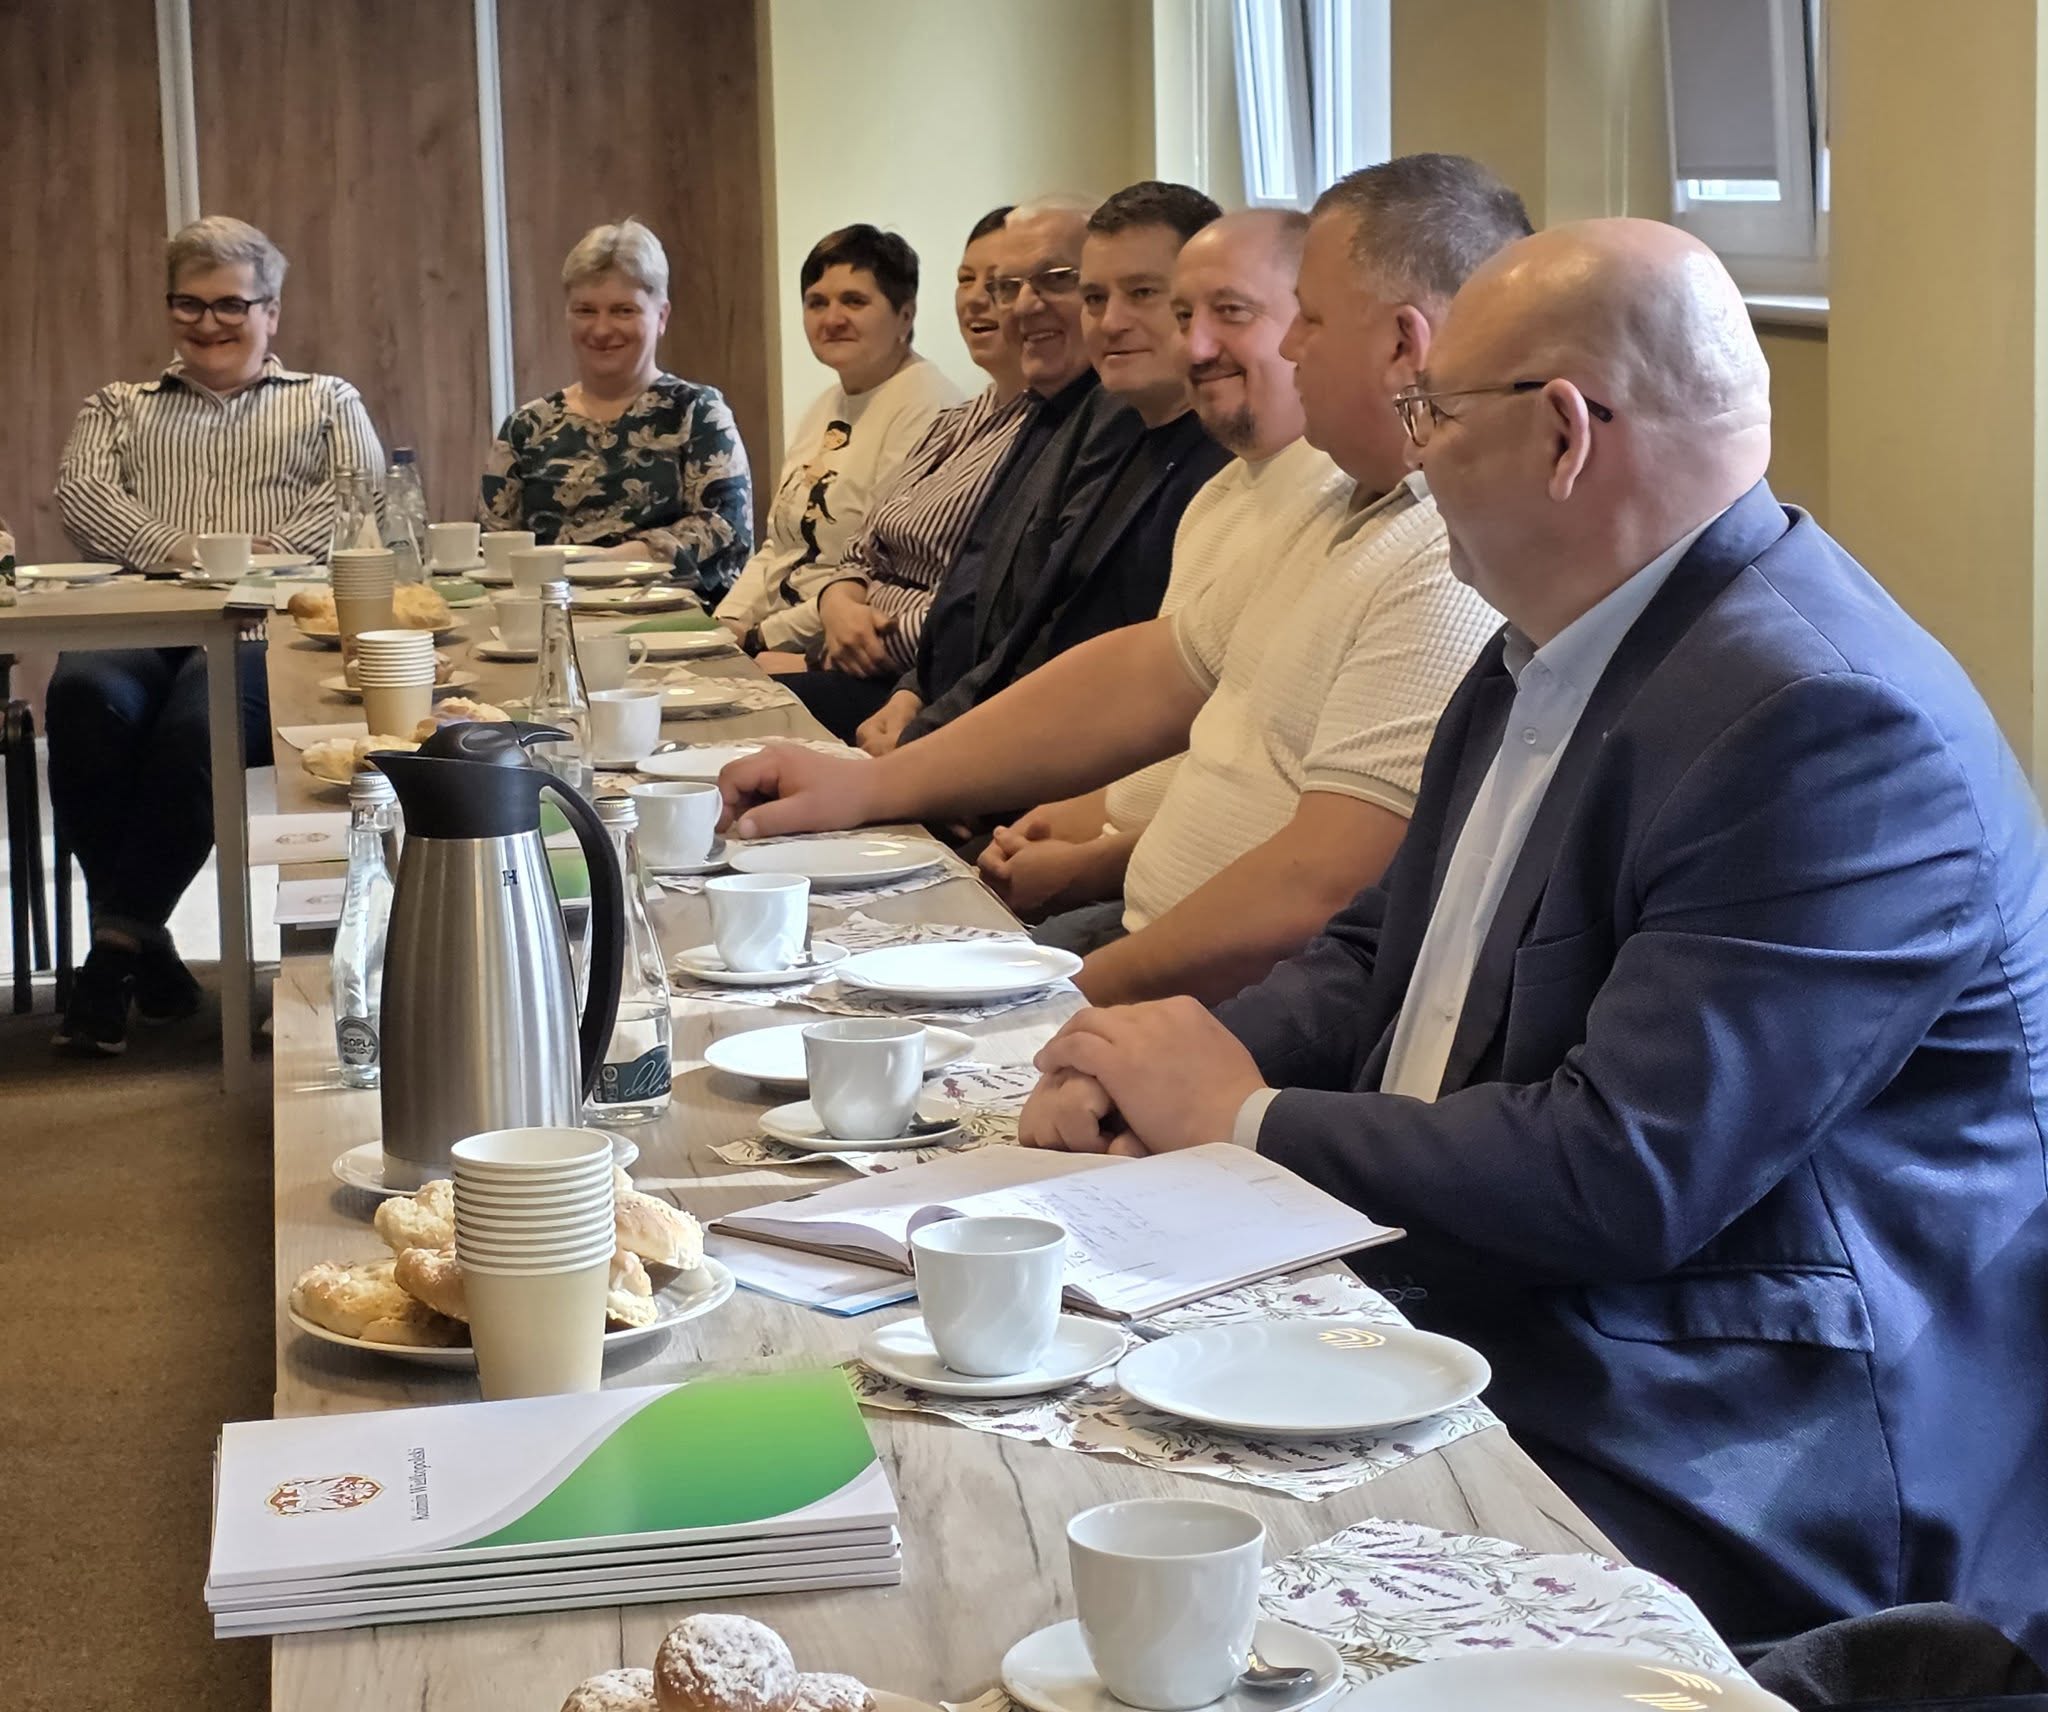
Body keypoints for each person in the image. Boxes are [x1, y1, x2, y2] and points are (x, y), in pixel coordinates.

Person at [1014, 219, 2048, 1663]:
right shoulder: (1539, 650)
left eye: (1432, 411)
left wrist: (1237, 1118)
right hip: (1494, 1283)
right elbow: (1375, 957)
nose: (1411, 454)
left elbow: (1626, 1173)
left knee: (1121, 1582)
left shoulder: (1822, 722)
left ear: (1562, 433)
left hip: (1731, 1413)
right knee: (1033, 1449)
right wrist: (1156, 1065)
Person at [718, 158, 1520, 1004]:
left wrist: (1057, 1001)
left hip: (1216, 1001)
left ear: (1402, 345)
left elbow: (1320, 893)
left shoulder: (1447, 558)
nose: (1289, 346)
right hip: (1136, 944)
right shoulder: (1329, 500)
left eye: (1308, 319)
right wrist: (869, 785)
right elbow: (1148, 678)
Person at [48, 215, 385, 1054]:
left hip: (259, 627)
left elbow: (359, 494)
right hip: (139, 618)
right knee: (83, 700)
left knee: (200, 726)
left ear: (271, 311)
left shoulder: (327, 399)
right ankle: (143, 942)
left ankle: (114, 952)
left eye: (231, 304)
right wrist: (189, 553)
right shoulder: (118, 406)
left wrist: (266, 561)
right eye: (189, 304)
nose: (208, 323)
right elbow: (83, 495)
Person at [883, 180, 1231, 753]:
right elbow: (1011, 615)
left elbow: (1093, 672)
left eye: (1143, 292)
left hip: (1060, 767)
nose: (1111, 321)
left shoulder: (1223, 457)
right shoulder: (1108, 411)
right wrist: (916, 701)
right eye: (1094, 298)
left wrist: (924, 755)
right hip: (987, 741)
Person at [843, 194, 1101, 756]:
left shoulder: (1085, 422)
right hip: (925, 694)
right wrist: (913, 692)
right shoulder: (998, 415)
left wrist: (921, 726)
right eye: (1005, 286)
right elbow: (959, 589)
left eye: (1054, 280)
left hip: (968, 722)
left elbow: (1030, 637)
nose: (1018, 305)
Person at [773, 206, 1031, 743]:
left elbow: (971, 603)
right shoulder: (959, 420)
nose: (977, 297)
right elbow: (860, 549)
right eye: (966, 279)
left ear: (906, 314)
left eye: (1002, 282)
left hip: (906, 679)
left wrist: (816, 641)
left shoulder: (1004, 424)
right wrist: (835, 602)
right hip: (867, 662)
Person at [714, 224, 961, 657]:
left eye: (854, 301)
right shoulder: (827, 404)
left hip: (837, 650)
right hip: (769, 638)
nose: (832, 319)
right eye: (817, 303)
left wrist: (759, 639)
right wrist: (726, 622)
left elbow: (878, 572)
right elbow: (780, 547)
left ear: (905, 315)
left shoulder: (929, 408)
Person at [480, 218, 753, 599]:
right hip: (550, 619)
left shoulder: (698, 412)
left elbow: (725, 530)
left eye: (623, 311)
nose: (602, 329)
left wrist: (604, 564)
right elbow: (494, 549)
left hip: (671, 621)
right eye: (585, 310)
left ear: (661, 317)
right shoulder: (525, 428)